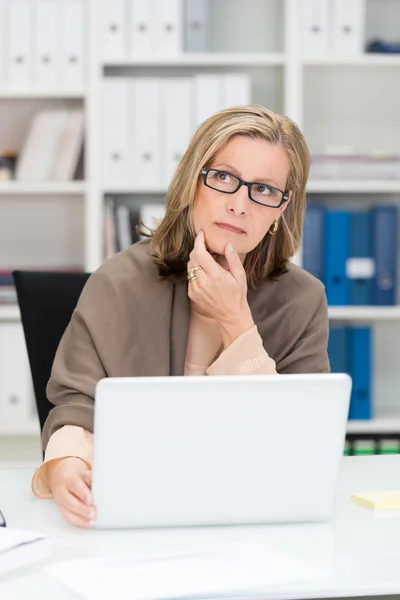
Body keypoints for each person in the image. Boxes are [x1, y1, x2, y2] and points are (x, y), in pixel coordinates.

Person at [31, 104, 330, 528]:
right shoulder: (119, 280)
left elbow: (300, 446)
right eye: (224, 177)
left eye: (263, 190)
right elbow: (77, 402)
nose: (240, 205)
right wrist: (65, 465)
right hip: (135, 510)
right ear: (194, 181)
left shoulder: (303, 300)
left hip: (251, 514)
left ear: (281, 209)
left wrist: (236, 323)